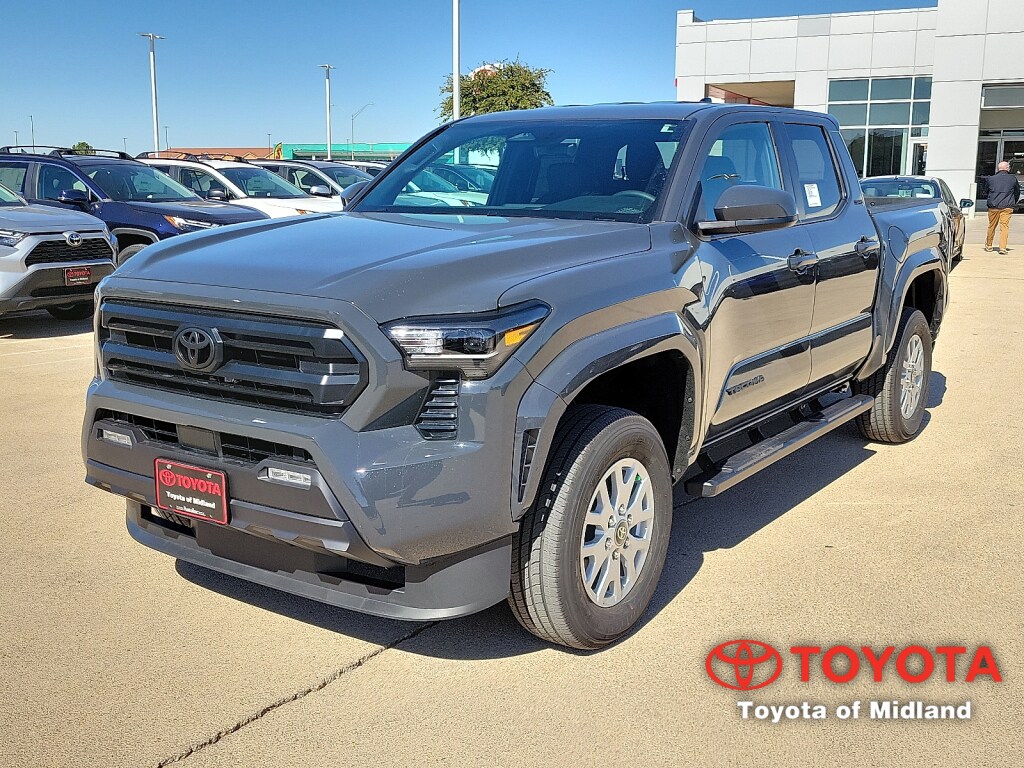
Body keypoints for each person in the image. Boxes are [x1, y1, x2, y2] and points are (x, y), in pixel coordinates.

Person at [984, 161, 1021, 255]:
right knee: (1004, 226)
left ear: (998, 169)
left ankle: (989, 245)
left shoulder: (991, 179)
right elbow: (1017, 192)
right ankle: (1002, 248)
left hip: (993, 206)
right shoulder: (1013, 179)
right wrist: (1013, 201)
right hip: (1007, 206)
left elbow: (986, 191)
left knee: (992, 225)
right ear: (1007, 168)